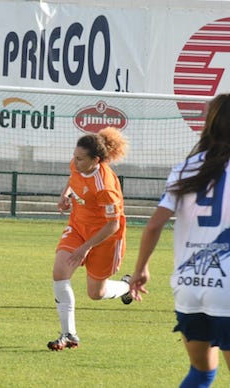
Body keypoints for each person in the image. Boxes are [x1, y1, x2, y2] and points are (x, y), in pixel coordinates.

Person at [129, 94, 230, 387]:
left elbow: (153, 226)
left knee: (201, 372)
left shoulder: (186, 168)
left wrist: (141, 269)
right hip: (227, 286)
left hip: (188, 285)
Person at [48, 126, 133, 351]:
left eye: (80, 159)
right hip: (78, 227)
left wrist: (86, 247)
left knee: (96, 293)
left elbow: (113, 224)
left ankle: (127, 286)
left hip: (106, 239)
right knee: (59, 271)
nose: (75, 162)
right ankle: (69, 334)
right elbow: (73, 178)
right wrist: (64, 196)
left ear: (95, 160)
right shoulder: (77, 163)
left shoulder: (105, 187)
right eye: (74, 157)